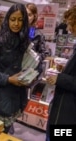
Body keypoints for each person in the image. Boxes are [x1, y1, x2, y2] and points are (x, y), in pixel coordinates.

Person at [0, 3, 30, 133]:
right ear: (7, 19)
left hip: (18, 96)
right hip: (1, 97)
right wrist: (8, 79)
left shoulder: (24, 40)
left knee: (6, 132)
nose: (16, 24)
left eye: (20, 20)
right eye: (13, 19)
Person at [45, 6, 76, 141]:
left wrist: (59, 78)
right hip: (63, 110)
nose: (68, 28)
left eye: (71, 23)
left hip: (68, 114)